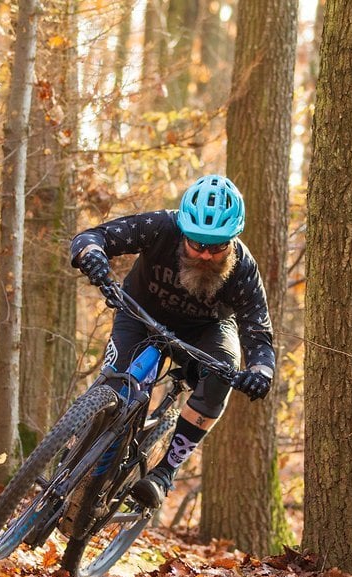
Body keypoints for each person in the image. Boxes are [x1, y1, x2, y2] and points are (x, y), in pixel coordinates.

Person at [69, 174, 276, 510]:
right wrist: (93, 257)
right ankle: (77, 446)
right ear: (183, 231)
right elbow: (93, 237)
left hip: (204, 332)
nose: (206, 255)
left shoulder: (243, 269)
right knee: (119, 385)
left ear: (233, 239)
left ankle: (164, 473)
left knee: (222, 373)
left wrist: (261, 371)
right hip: (140, 317)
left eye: (218, 246)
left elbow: (258, 332)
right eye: (197, 244)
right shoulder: (160, 226)